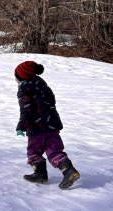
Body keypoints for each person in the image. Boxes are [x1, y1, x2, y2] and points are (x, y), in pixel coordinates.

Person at [14, 61, 81, 189]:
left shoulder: (24, 89)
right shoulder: (42, 84)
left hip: (37, 128)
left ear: (21, 77)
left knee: (34, 151)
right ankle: (69, 171)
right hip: (52, 125)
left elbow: (26, 109)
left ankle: (40, 173)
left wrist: (22, 126)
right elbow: (51, 102)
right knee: (55, 151)